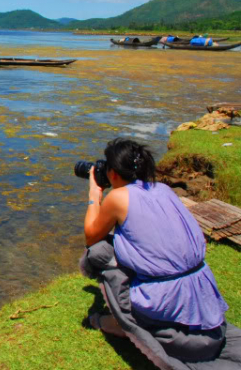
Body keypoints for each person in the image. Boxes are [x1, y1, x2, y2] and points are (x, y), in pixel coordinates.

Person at [83, 139, 229, 345]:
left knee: (99, 251)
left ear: (113, 173)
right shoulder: (162, 189)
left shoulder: (117, 197)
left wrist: (94, 194)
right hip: (202, 299)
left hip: (165, 302)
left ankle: (125, 323)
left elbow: (91, 236)